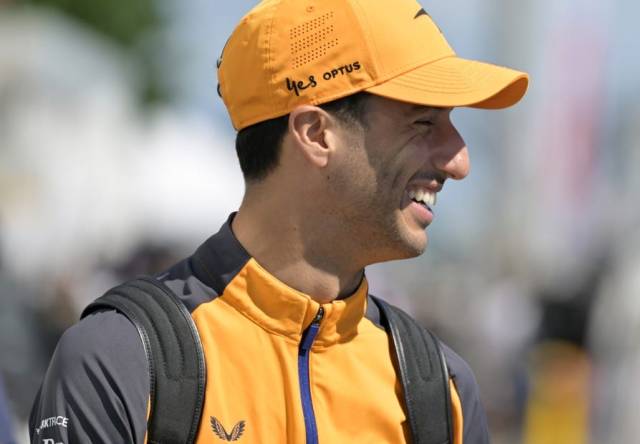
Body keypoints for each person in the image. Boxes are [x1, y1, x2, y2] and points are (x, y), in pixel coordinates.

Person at [29, 0, 529, 442]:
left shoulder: (440, 390)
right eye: (424, 122)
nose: (459, 161)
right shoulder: (124, 359)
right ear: (315, 133)